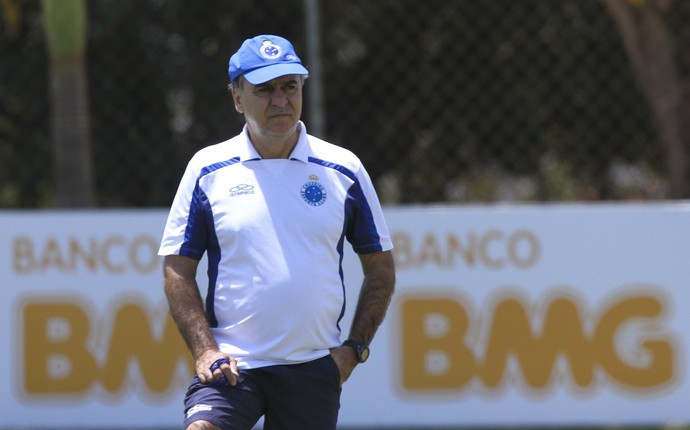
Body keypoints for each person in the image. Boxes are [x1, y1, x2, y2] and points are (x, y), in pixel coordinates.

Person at [158, 34, 396, 430]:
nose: (280, 100)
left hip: (312, 369)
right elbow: (177, 270)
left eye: (290, 86)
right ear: (237, 98)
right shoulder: (207, 168)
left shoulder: (343, 168)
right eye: (264, 90)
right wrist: (204, 351)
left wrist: (353, 352)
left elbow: (381, 269)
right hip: (232, 366)